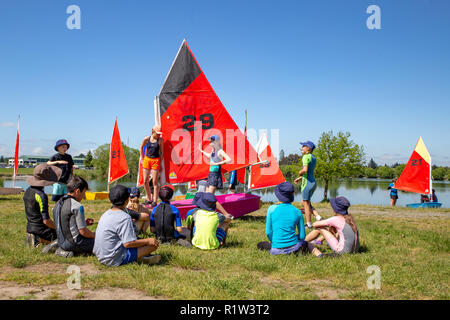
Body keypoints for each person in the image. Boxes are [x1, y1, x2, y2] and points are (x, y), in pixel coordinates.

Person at [93, 185, 161, 266]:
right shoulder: (125, 217)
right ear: (126, 200)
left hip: (100, 256)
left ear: (110, 201)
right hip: (113, 259)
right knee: (153, 245)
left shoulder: (105, 214)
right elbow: (128, 243)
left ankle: (140, 256)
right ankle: (140, 258)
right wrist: (147, 241)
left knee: (141, 241)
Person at [256, 182, 309, 255]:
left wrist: (274, 241)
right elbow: (302, 236)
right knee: (305, 243)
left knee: (260, 244)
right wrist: (293, 237)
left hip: (276, 250)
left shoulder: (271, 209)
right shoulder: (298, 212)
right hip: (294, 248)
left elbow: (268, 232)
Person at [52, 176, 96, 257]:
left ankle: (60, 248)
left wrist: (84, 222)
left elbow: (64, 223)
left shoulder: (58, 203)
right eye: (84, 193)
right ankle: (69, 252)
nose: (84, 196)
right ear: (77, 191)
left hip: (61, 240)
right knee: (102, 241)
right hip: (74, 243)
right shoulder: (77, 206)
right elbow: (83, 232)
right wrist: (95, 235)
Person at [23, 164, 62, 248]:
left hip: (30, 227)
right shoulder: (41, 195)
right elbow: (46, 221)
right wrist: (59, 228)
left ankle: (34, 236)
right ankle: (39, 239)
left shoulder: (28, 191)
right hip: (41, 230)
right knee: (64, 239)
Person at [294, 141, 321, 228]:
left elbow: (305, 170)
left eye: (304, 146)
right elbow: (309, 172)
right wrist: (300, 178)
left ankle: (309, 224)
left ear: (308, 149)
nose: (302, 147)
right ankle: (317, 216)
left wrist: (300, 173)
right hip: (313, 182)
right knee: (305, 202)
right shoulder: (313, 157)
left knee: (305, 204)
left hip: (307, 184)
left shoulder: (305, 157)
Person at [140, 125, 163, 207]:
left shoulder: (160, 140)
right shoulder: (147, 139)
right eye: (158, 133)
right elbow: (141, 147)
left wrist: (160, 164)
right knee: (145, 181)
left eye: (160, 134)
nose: (159, 135)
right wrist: (142, 158)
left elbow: (161, 153)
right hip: (147, 159)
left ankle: (155, 201)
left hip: (156, 161)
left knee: (155, 182)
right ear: (153, 131)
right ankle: (149, 198)